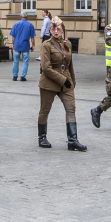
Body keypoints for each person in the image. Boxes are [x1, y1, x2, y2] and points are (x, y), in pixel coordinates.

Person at [37, 16, 85, 151]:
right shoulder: (46, 45)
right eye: (53, 29)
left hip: (66, 81)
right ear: (50, 30)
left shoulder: (67, 44)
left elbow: (70, 64)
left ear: (63, 29)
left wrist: (73, 80)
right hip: (49, 82)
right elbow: (46, 68)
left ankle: (73, 140)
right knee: (45, 110)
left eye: (58, 29)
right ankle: (42, 137)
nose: (56, 31)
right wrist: (63, 80)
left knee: (71, 108)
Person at [9, 13, 36, 81]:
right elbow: (32, 38)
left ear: (20, 16)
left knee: (16, 61)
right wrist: (33, 45)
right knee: (25, 61)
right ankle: (22, 76)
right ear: (27, 16)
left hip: (17, 45)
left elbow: (13, 37)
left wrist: (13, 44)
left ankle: (15, 76)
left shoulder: (16, 24)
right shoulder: (30, 25)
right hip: (25, 46)